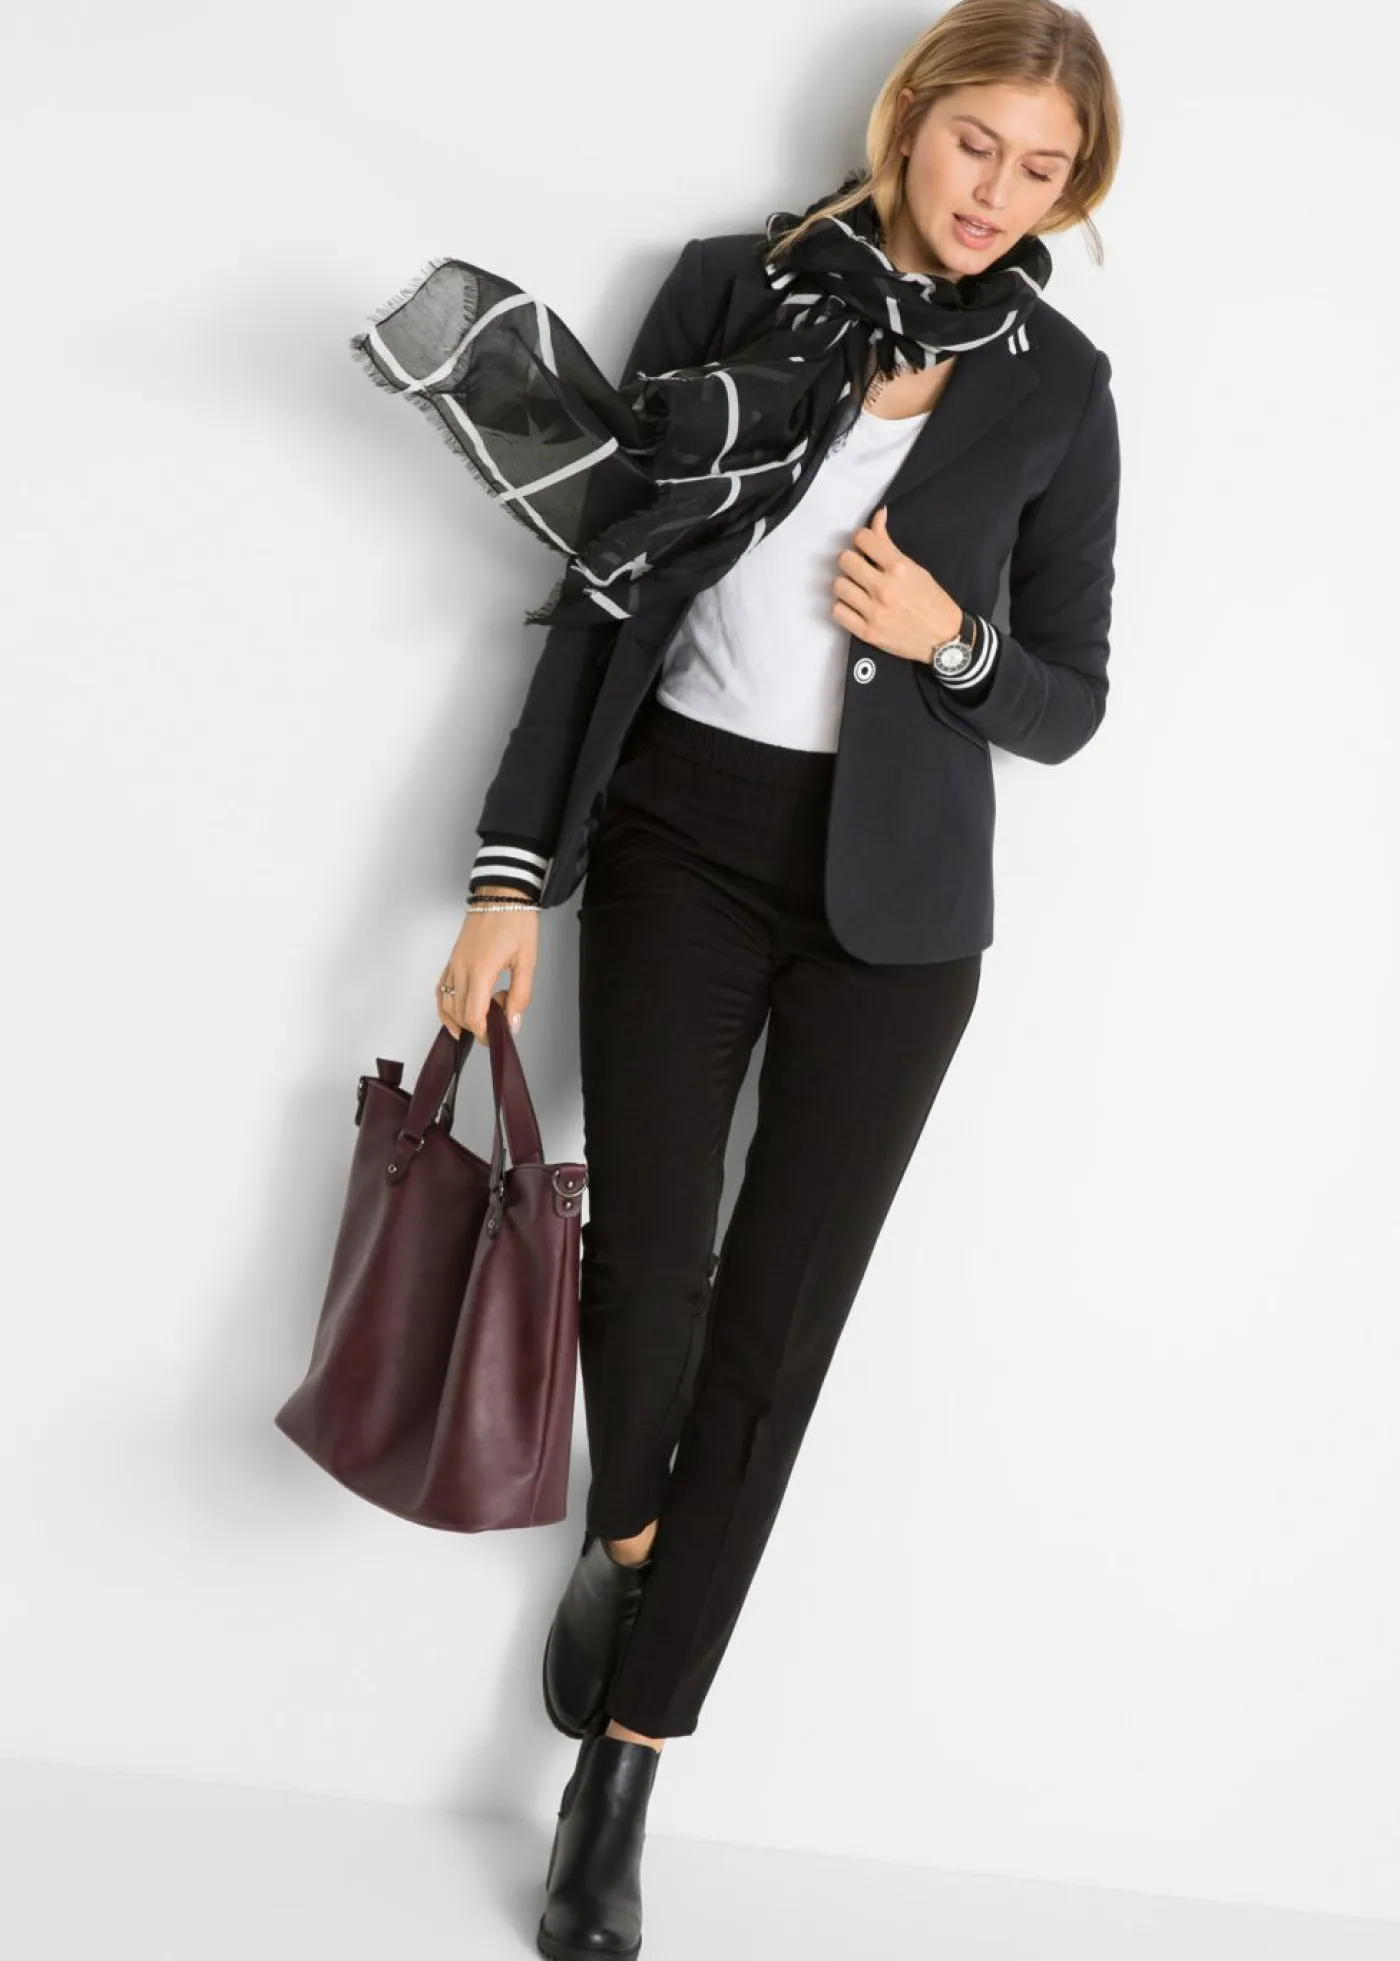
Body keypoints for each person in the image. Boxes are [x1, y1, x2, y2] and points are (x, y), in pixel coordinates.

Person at [424, 4, 1122, 1952]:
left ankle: (624, 1765)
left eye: (1044, 170)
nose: (997, 195)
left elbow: (1068, 698)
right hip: (682, 841)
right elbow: (601, 589)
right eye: (977, 145)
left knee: (775, 1339)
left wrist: (954, 640)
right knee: (645, 1263)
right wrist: (510, 876)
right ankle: (632, 1531)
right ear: (910, 121)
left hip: (898, 909)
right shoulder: (732, 291)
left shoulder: (1060, 389)